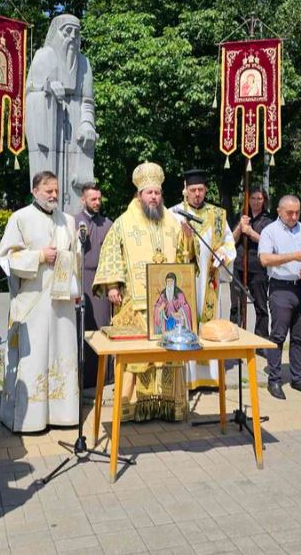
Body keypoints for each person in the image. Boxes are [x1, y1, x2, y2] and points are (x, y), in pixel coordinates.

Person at [93, 162, 194, 422]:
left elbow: (183, 257)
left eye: (157, 193)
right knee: (136, 357)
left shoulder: (172, 221)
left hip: (167, 304)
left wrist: (189, 239)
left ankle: (167, 406)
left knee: (167, 354)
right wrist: (113, 285)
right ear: (139, 195)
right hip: (134, 302)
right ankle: (131, 407)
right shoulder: (123, 222)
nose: (154, 197)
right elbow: (111, 252)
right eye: (149, 193)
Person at [0, 171, 80, 432]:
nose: (53, 195)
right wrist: (40, 256)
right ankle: (29, 419)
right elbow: (6, 259)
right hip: (33, 300)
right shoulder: (19, 218)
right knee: (33, 360)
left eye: (56, 191)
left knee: (61, 351)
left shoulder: (67, 221)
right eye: (48, 191)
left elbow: (76, 254)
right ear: (35, 191)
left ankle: (63, 414)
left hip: (62, 301)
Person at [170, 168, 236, 391]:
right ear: (185, 191)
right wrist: (183, 238)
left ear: (206, 190)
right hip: (184, 281)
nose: (197, 194)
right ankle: (187, 378)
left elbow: (228, 242)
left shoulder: (218, 215)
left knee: (209, 323)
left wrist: (223, 255)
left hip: (209, 280)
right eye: (193, 190)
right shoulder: (174, 214)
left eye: (200, 189)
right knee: (185, 321)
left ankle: (209, 376)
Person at [25, 14, 97, 213]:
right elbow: (30, 92)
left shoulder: (84, 64)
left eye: (76, 32)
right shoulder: (43, 56)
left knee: (75, 187)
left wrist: (87, 124)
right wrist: (47, 89)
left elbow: (88, 102)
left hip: (74, 125)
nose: (72, 37)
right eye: (67, 31)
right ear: (56, 33)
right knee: (48, 176)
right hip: (49, 121)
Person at [258, 195, 301, 399]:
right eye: (289, 213)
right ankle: (274, 380)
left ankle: (298, 378)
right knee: (277, 336)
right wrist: (292, 256)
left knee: (299, 336)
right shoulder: (270, 231)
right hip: (280, 288)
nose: (294, 216)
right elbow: (265, 259)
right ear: (279, 211)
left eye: (297, 212)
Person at [75, 182, 114, 388]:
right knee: (81, 330)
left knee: (100, 327)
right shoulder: (72, 222)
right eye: (93, 199)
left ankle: (102, 377)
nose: (97, 203)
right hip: (80, 280)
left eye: (99, 199)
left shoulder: (108, 224)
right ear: (83, 200)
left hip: (101, 283)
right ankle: (81, 378)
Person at [230, 186, 275, 339]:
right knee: (236, 305)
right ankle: (234, 336)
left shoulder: (269, 221)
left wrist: (250, 232)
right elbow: (231, 241)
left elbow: (270, 243)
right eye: (253, 198)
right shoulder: (240, 216)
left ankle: (261, 339)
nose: (256, 202)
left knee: (260, 305)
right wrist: (240, 228)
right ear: (248, 200)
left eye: (259, 199)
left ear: (264, 201)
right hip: (239, 266)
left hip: (258, 267)